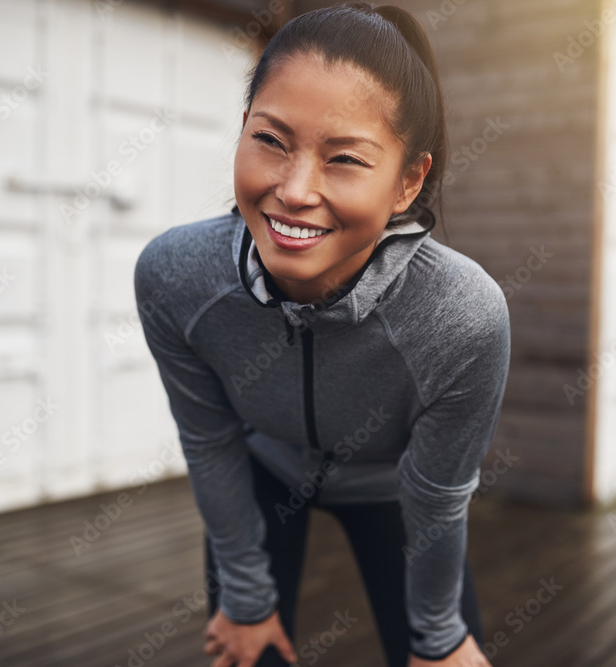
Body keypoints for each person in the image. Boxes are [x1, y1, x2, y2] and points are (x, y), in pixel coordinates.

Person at [134, 3, 510, 666]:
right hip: (261, 471)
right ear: (242, 128)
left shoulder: (462, 315)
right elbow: (210, 439)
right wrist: (246, 601)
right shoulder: (176, 278)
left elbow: (437, 497)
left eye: (344, 158)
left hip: (393, 490)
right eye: (271, 140)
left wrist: (438, 637)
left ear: (408, 181)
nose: (294, 190)